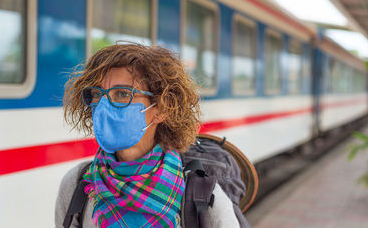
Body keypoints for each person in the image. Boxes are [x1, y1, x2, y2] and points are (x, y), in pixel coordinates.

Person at [55, 43, 241, 227]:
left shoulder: (203, 196)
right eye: (97, 93)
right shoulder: (77, 185)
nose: (104, 106)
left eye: (122, 93)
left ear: (161, 108)